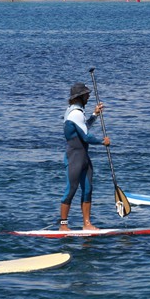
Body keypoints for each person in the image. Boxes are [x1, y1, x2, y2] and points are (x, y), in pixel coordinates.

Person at [59, 82, 110, 231]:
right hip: (74, 156)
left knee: (87, 189)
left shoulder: (77, 112)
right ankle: (63, 226)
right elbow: (86, 137)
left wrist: (94, 115)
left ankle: (87, 224)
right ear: (80, 97)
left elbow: (84, 127)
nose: (88, 97)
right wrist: (102, 142)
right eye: (87, 95)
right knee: (71, 189)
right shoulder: (75, 113)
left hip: (83, 156)